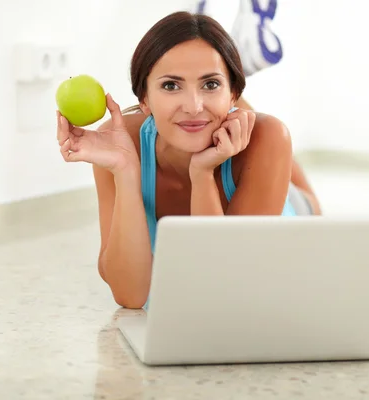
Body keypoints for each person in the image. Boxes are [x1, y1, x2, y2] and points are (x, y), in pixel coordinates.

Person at [56, 11, 321, 309]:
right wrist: (125, 171)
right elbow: (130, 295)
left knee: (307, 200)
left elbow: (223, 286)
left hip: (289, 209)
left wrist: (203, 174)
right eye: (171, 85)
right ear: (144, 99)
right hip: (206, 121)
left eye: (210, 84)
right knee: (206, 115)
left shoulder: (268, 137)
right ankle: (224, 73)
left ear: (233, 93)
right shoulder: (119, 144)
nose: (193, 106)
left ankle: (229, 80)